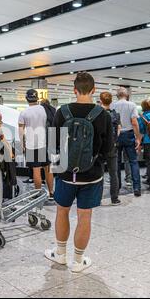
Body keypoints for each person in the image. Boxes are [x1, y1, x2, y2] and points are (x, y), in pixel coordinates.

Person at [45, 72, 113, 273]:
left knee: (62, 210)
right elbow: (109, 148)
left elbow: (52, 144)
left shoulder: (62, 112)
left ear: (74, 90)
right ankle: (78, 260)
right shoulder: (103, 115)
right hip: (92, 174)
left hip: (65, 173)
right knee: (85, 216)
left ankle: (60, 254)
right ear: (94, 91)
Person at [18, 89, 54, 199]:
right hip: (44, 142)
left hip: (31, 145)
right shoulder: (44, 109)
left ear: (26, 98)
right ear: (37, 98)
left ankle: (38, 194)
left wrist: (22, 145)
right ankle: (51, 193)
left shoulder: (24, 113)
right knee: (48, 169)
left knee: (36, 170)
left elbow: (21, 131)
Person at [111, 87, 142, 197]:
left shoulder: (112, 105)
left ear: (117, 95)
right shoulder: (132, 105)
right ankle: (137, 188)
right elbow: (134, 122)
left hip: (116, 135)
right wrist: (138, 137)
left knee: (117, 163)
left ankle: (117, 187)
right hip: (128, 134)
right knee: (133, 161)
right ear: (126, 95)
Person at [100, 92, 121, 205]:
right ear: (111, 101)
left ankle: (98, 197)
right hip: (112, 147)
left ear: (100, 100)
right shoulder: (115, 114)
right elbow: (118, 130)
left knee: (100, 173)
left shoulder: (98, 114)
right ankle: (115, 198)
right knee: (114, 173)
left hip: (100, 147)